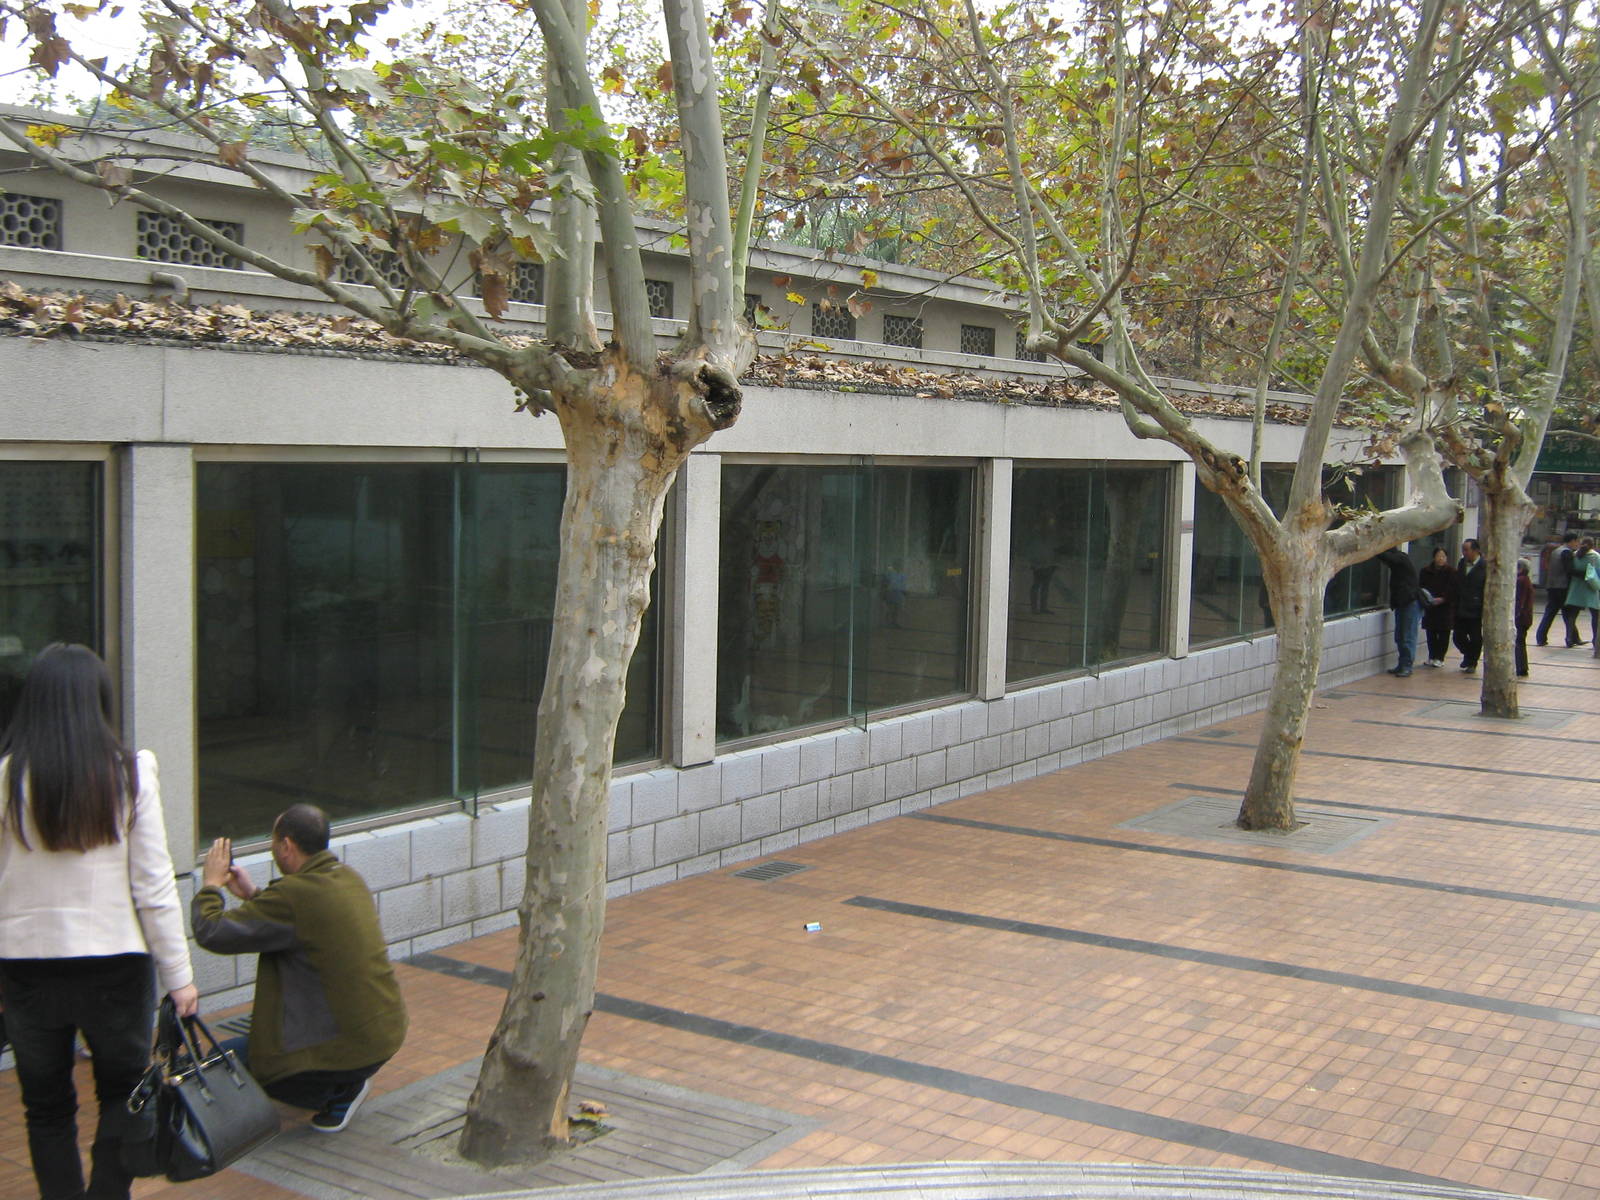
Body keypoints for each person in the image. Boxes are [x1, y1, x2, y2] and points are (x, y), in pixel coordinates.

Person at [0, 644, 197, 1200]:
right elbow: (154, 885)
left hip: (27, 968)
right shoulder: (130, 773)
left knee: (45, 1107)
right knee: (124, 1096)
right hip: (116, 965)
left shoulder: (8, 776)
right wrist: (179, 975)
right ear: (99, 701)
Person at [191, 803, 407, 1134]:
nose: (272, 847)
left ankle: (337, 1091)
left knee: (226, 1061)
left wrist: (210, 885)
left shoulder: (293, 896)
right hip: (385, 1034)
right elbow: (299, 921)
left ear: (287, 846)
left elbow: (211, 931)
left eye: (273, 841)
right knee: (256, 1050)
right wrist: (253, 895)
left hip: (350, 1045)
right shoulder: (347, 877)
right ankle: (345, 1079)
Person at [1376, 547, 1422, 677]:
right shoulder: (1398, 564)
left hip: (1409, 603)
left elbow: (1389, 558)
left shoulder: (1401, 558)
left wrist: (1375, 549)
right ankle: (1402, 664)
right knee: (1400, 636)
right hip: (1402, 603)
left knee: (1407, 636)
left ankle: (1406, 665)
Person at [1536, 531, 1581, 646]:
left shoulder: (1556, 551)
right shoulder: (1566, 552)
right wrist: (1585, 574)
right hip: (1562, 587)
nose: (1578, 544)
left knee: (1552, 612)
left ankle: (1541, 637)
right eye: (1577, 541)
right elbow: (1569, 570)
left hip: (1553, 586)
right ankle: (1572, 639)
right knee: (1567, 613)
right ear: (1572, 541)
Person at [1418, 547, 1457, 667]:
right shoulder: (1425, 571)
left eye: (1443, 556)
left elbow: (1454, 588)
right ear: (1434, 557)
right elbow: (1421, 587)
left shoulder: (1451, 572)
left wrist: (1444, 598)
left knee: (1444, 633)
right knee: (1431, 632)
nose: (1441, 559)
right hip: (1430, 606)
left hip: (1445, 607)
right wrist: (1427, 599)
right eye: (1438, 556)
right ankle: (1432, 656)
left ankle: (1440, 658)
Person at [1454, 538, 1487, 673]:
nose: (1464, 553)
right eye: (1463, 550)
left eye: (1466, 550)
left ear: (1476, 550)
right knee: (1458, 637)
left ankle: (1472, 662)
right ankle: (1469, 655)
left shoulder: (1484, 566)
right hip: (1461, 606)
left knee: (1475, 638)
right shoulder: (1462, 563)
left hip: (1475, 607)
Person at [1562, 537, 1600, 647]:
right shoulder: (1595, 556)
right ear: (1593, 545)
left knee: (1572, 615)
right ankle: (1596, 641)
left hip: (1576, 588)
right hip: (1591, 588)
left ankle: (1569, 638)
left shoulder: (1575, 555)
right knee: (1596, 615)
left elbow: (1571, 570)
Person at [1515, 559, 1535, 677]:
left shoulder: (1521, 580)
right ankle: (1522, 666)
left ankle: (1521, 667)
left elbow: (1520, 600)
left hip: (1521, 617)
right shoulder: (1526, 579)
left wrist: (1517, 613)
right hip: (1526, 617)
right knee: (1520, 641)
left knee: (1519, 642)